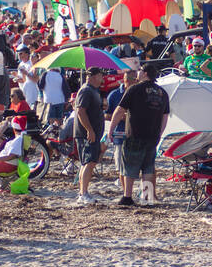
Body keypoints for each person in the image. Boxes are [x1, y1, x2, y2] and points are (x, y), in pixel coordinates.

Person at [107, 62, 170, 208]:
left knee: (129, 165)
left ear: (145, 73)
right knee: (148, 167)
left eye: (140, 70)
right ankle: (147, 197)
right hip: (153, 135)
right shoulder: (162, 92)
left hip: (135, 133)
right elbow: (165, 116)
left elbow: (120, 110)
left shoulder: (134, 89)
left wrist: (111, 129)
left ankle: (127, 196)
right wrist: (159, 133)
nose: (138, 73)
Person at [73, 67, 106, 205]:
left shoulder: (93, 90)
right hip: (86, 133)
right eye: (100, 76)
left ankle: (83, 191)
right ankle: (83, 193)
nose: (102, 79)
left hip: (92, 132)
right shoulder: (86, 90)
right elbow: (80, 111)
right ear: (93, 76)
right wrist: (89, 130)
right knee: (89, 161)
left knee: (88, 162)